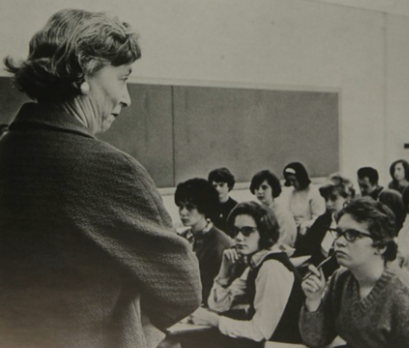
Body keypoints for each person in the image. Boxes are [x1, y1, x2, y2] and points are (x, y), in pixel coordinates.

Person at [0, 9, 201, 348]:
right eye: (122, 78)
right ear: (83, 73)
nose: (127, 98)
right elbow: (182, 289)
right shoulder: (109, 170)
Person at [299, 197, 409, 348]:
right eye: (338, 233)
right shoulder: (341, 279)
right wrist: (314, 300)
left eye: (352, 234)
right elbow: (316, 340)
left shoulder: (406, 299)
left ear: (380, 246)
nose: (339, 242)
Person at [183, 202, 304, 348]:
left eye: (247, 231)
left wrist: (214, 321)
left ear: (264, 231)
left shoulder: (272, 267)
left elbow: (260, 332)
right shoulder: (256, 263)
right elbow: (218, 305)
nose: (238, 238)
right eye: (235, 231)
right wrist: (224, 272)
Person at [175, 178, 234, 304]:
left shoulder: (220, 242)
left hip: (207, 304)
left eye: (190, 207)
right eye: (181, 206)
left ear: (203, 207)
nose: (183, 213)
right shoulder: (182, 237)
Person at [293, 174, 355, 265]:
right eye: (326, 199)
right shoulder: (323, 220)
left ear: (348, 198)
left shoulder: (355, 225)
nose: (328, 204)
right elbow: (304, 249)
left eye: (334, 198)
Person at [250, 170, 297, 249]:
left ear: (273, 188)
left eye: (264, 187)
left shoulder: (282, 214)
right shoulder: (256, 212)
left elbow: (286, 242)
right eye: (257, 188)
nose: (260, 191)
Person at [357, 166, 406, 233]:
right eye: (360, 185)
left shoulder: (387, 196)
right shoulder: (366, 197)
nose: (361, 190)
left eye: (365, 186)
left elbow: (388, 223)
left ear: (375, 183)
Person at [283, 162, 325, 235]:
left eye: (294, 180)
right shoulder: (293, 193)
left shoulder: (313, 193)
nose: (292, 183)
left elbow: (319, 219)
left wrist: (304, 223)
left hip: (310, 232)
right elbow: (289, 212)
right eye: (290, 181)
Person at [208, 167, 239, 236]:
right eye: (215, 186)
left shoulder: (236, 208)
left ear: (229, 186)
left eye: (221, 185)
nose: (218, 189)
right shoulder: (207, 207)